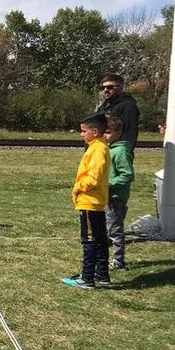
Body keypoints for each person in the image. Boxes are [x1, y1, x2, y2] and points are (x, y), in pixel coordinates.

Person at [61, 113, 110, 289]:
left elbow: (93, 178)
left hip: (90, 202)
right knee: (100, 238)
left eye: (83, 131)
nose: (81, 135)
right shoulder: (99, 147)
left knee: (89, 240)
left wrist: (78, 187)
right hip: (95, 201)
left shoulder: (97, 149)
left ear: (95, 131)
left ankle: (87, 278)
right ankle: (101, 273)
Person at [104, 116, 135, 270]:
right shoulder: (107, 149)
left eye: (108, 132)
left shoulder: (120, 151)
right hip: (105, 196)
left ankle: (118, 260)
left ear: (119, 132)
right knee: (106, 227)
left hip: (116, 198)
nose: (105, 135)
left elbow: (128, 175)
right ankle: (104, 256)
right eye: (103, 132)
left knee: (115, 229)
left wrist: (109, 184)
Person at [96, 73, 139, 155]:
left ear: (121, 87)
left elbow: (129, 133)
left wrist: (122, 153)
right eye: (103, 87)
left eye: (110, 87)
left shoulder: (128, 106)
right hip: (101, 152)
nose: (105, 90)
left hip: (116, 154)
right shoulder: (103, 107)